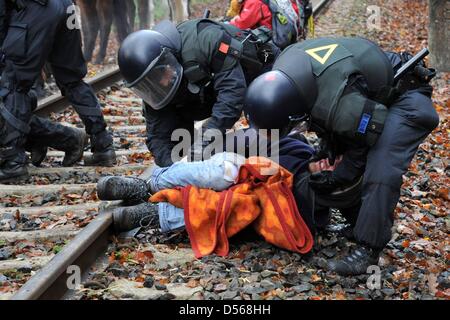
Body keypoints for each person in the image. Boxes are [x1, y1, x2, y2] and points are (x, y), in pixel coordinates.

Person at [242, 36, 439, 275]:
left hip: (406, 98)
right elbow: (341, 127)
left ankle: (367, 250)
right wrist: (325, 160)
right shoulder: (285, 71)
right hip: (362, 96)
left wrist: (334, 177)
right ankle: (359, 221)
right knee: (329, 162)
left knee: (381, 168)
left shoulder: (337, 107)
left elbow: (360, 147)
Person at [117, 18, 279, 167]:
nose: (161, 84)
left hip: (258, 76)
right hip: (205, 95)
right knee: (181, 146)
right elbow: (158, 136)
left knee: (266, 127)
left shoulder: (206, 41)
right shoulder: (154, 84)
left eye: (159, 75)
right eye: (149, 83)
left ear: (168, 59)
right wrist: (174, 168)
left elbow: (232, 96)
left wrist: (206, 139)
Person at [0, 0, 116, 182]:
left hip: (36, 9)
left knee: (14, 84)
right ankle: (103, 145)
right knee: (73, 80)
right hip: (65, 7)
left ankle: (13, 164)